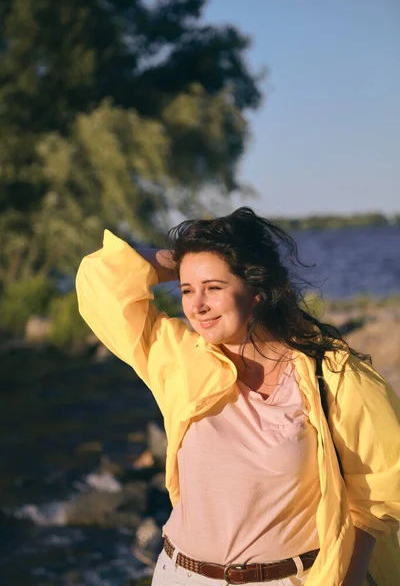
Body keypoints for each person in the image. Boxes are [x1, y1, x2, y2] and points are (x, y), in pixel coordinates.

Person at [76, 207, 400, 586]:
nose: (196, 306)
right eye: (185, 290)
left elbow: (376, 497)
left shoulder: (332, 375)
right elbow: (101, 279)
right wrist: (182, 260)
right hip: (179, 575)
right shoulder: (179, 358)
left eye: (213, 288)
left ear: (257, 290)